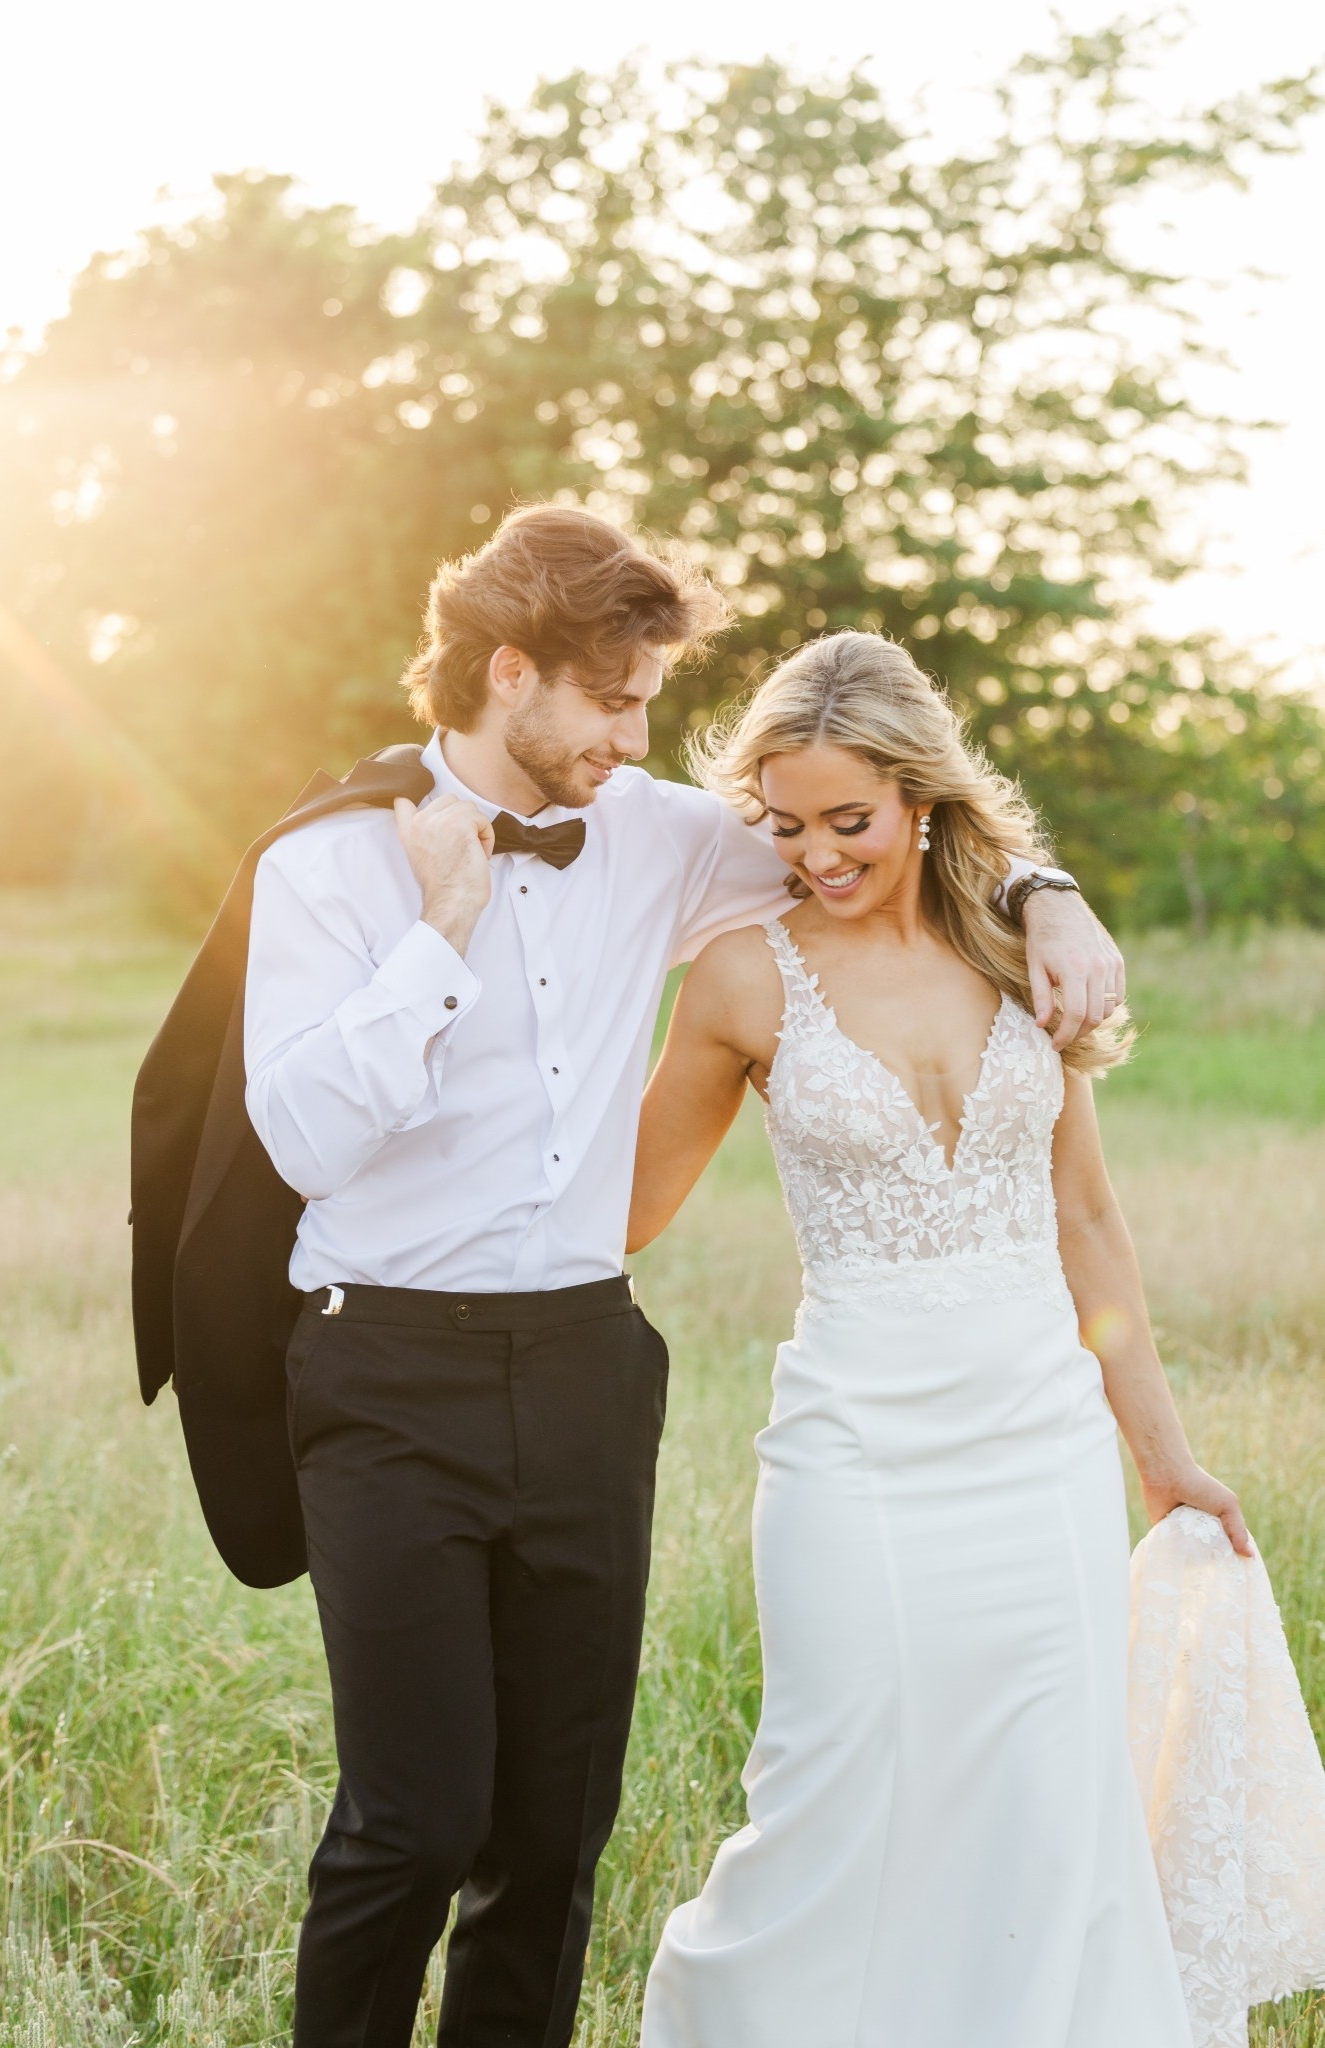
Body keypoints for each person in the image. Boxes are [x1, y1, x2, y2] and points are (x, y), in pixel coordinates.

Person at [241, 507, 1118, 2048]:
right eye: (615, 698)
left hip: (584, 1358)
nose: (639, 736)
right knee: (414, 1822)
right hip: (384, 1363)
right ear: (510, 672)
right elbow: (305, 1138)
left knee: (551, 1835)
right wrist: (441, 925)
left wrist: (1047, 889)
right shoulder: (328, 860)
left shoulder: (647, 827)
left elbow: (878, 823)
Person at [630, 629, 1262, 2048]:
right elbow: (623, 1210)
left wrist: (1161, 1462)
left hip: (1035, 1444)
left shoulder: (1011, 945)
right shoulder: (742, 978)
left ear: (918, 795)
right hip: (853, 1443)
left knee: (1045, 1797)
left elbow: (1088, 1227)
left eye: (847, 821)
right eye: (782, 826)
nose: (817, 855)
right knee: (832, 1776)